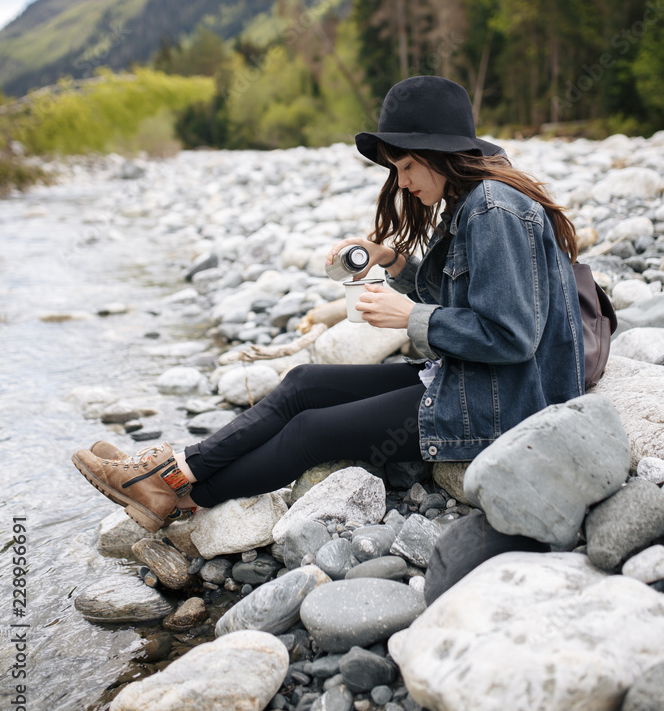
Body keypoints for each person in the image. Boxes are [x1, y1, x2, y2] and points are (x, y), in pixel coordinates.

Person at [72, 76, 584, 533]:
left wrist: (410, 318)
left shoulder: (494, 209)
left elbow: (511, 336)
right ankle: (175, 471)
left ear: (442, 153)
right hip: (474, 379)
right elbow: (465, 303)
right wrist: (395, 263)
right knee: (302, 385)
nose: (401, 182)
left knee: (311, 432)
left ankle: (181, 498)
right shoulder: (474, 204)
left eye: (406, 165)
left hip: (504, 403)